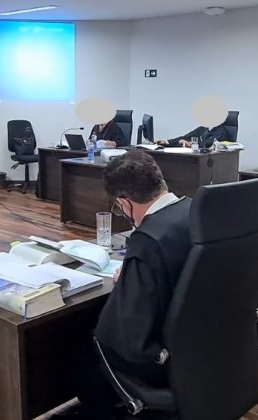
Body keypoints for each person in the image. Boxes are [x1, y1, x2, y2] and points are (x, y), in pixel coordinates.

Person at [68, 150, 193, 419]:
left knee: (86, 342)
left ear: (124, 203)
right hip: (196, 343)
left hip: (160, 357)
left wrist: (126, 281)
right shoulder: (194, 210)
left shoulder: (148, 239)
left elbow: (129, 330)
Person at [156, 123, 231, 149]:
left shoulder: (221, 131)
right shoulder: (203, 128)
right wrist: (167, 142)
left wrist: (191, 145)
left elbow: (207, 146)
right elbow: (185, 137)